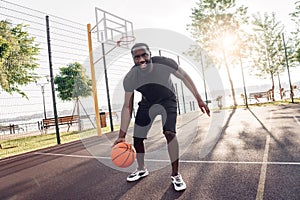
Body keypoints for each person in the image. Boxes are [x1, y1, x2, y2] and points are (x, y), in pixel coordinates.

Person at [113, 43, 210, 191]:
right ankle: (141, 169)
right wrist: (121, 135)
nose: (141, 59)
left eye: (144, 55)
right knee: (137, 139)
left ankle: (175, 175)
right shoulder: (131, 77)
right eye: (136, 57)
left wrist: (199, 99)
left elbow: (184, 76)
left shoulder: (165, 63)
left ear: (149, 54)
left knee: (169, 133)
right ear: (133, 59)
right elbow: (127, 106)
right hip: (147, 103)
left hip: (167, 100)